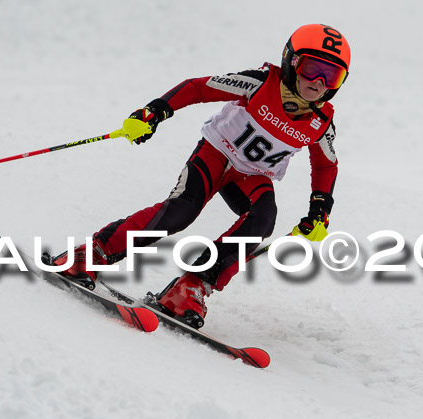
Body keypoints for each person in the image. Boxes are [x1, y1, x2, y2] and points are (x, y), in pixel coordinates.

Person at [53, 24, 351, 328]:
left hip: (252, 176)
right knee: (183, 210)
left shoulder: (321, 123)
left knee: (262, 219)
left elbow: (327, 165)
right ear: (291, 61)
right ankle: (93, 253)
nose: (318, 82)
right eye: (312, 68)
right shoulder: (259, 83)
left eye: (332, 76)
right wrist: (155, 111)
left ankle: (192, 286)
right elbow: (198, 87)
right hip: (216, 154)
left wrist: (320, 210)